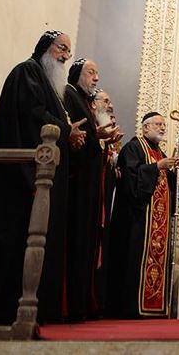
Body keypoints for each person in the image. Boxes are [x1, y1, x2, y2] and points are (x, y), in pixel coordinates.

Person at [0, 30, 87, 324]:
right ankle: (6, 314)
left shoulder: (50, 85)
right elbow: (32, 116)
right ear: (44, 47)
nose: (65, 56)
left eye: (68, 51)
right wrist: (68, 132)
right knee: (15, 246)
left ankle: (36, 310)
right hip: (20, 180)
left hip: (40, 179)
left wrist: (70, 134)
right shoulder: (27, 72)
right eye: (61, 48)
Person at [106, 112, 179, 318]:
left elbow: (164, 182)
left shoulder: (158, 151)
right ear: (145, 127)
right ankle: (132, 308)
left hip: (155, 223)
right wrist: (157, 167)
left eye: (164, 125)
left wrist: (171, 170)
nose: (162, 128)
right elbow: (131, 180)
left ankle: (154, 308)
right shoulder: (134, 147)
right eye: (158, 124)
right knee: (133, 261)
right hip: (136, 220)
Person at [62, 59, 119, 319]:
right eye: (91, 73)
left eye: (98, 74)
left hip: (91, 190)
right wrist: (98, 137)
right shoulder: (70, 96)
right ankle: (74, 305)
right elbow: (78, 141)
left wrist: (100, 138)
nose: (96, 79)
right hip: (77, 186)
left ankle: (82, 303)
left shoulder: (80, 99)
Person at [91, 89, 123, 315]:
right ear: (93, 105)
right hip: (92, 203)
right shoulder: (90, 129)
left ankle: (99, 301)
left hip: (105, 204)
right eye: (106, 101)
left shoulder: (110, 138)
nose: (111, 106)